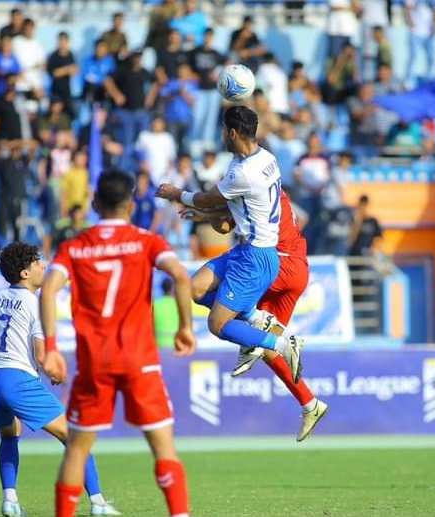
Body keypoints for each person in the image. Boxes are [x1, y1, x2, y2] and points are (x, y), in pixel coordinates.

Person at [39, 172, 195, 517]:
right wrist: (186, 327)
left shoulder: (75, 246)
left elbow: (48, 288)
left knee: (76, 451)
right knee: (163, 447)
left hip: (95, 361)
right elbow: (182, 276)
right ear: (130, 204)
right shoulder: (147, 241)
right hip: (139, 357)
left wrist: (50, 347)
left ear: (95, 204)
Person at [0, 242, 122, 517]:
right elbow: (42, 356)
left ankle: (10, 500)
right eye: (38, 263)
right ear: (25, 273)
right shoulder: (36, 303)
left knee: (10, 434)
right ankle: (98, 503)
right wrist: (57, 373)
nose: (44, 267)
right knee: (76, 437)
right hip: (16, 380)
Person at [155, 105, 303, 382]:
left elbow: (209, 199)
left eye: (224, 131)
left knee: (217, 324)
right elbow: (232, 208)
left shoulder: (242, 172)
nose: (222, 135)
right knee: (193, 287)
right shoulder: (266, 158)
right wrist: (206, 213)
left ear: (233, 133)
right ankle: (255, 317)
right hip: (245, 251)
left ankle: (284, 344)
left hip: (255, 259)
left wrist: (176, 193)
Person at [180, 188, 329, 441]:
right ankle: (310, 403)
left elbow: (225, 224)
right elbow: (234, 216)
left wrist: (200, 210)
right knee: (267, 348)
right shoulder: (274, 190)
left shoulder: (249, 181)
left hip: (273, 264)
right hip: (298, 269)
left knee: (206, 296)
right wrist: (208, 215)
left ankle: (252, 317)